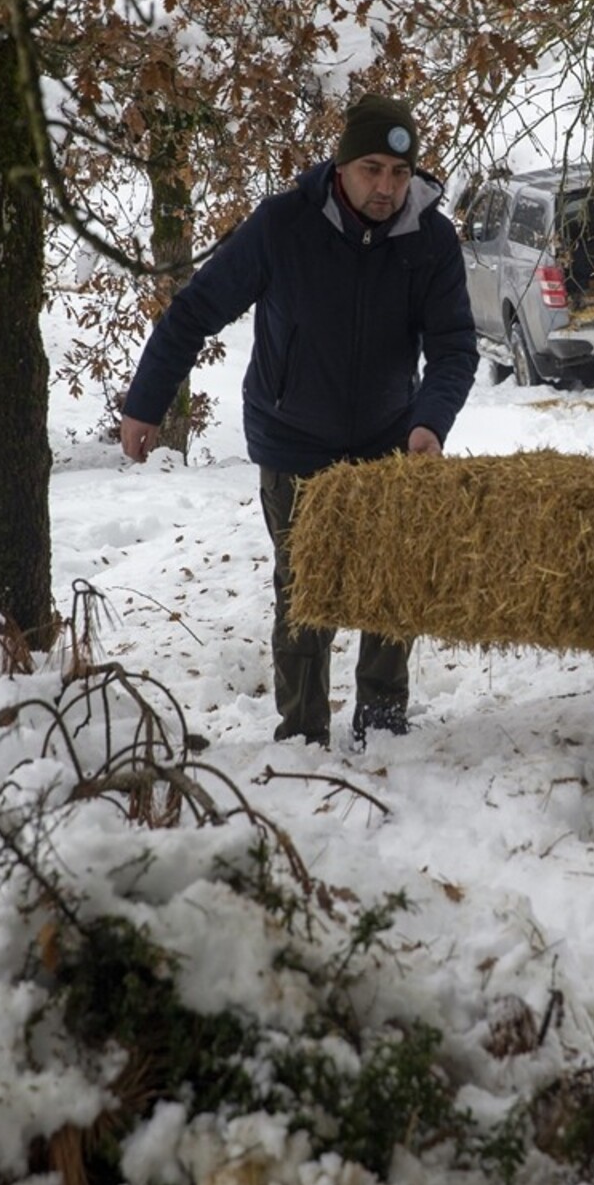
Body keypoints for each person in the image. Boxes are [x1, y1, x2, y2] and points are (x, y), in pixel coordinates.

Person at [121, 94, 478, 747]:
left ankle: (383, 717)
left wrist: (429, 423)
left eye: (399, 174)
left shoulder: (429, 239)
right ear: (342, 165)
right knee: (307, 590)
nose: (385, 187)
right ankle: (304, 729)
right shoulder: (283, 226)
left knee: (393, 577)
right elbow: (195, 311)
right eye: (372, 169)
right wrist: (147, 401)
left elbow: (454, 347)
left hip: (387, 434)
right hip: (293, 436)